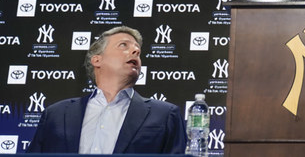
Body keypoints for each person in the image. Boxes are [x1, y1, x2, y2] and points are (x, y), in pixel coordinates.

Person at [27, 26, 186, 154]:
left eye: (138, 50)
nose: (136, 52)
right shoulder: (56, 114)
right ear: (97, 60)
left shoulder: (165, 115)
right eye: (123, 45)